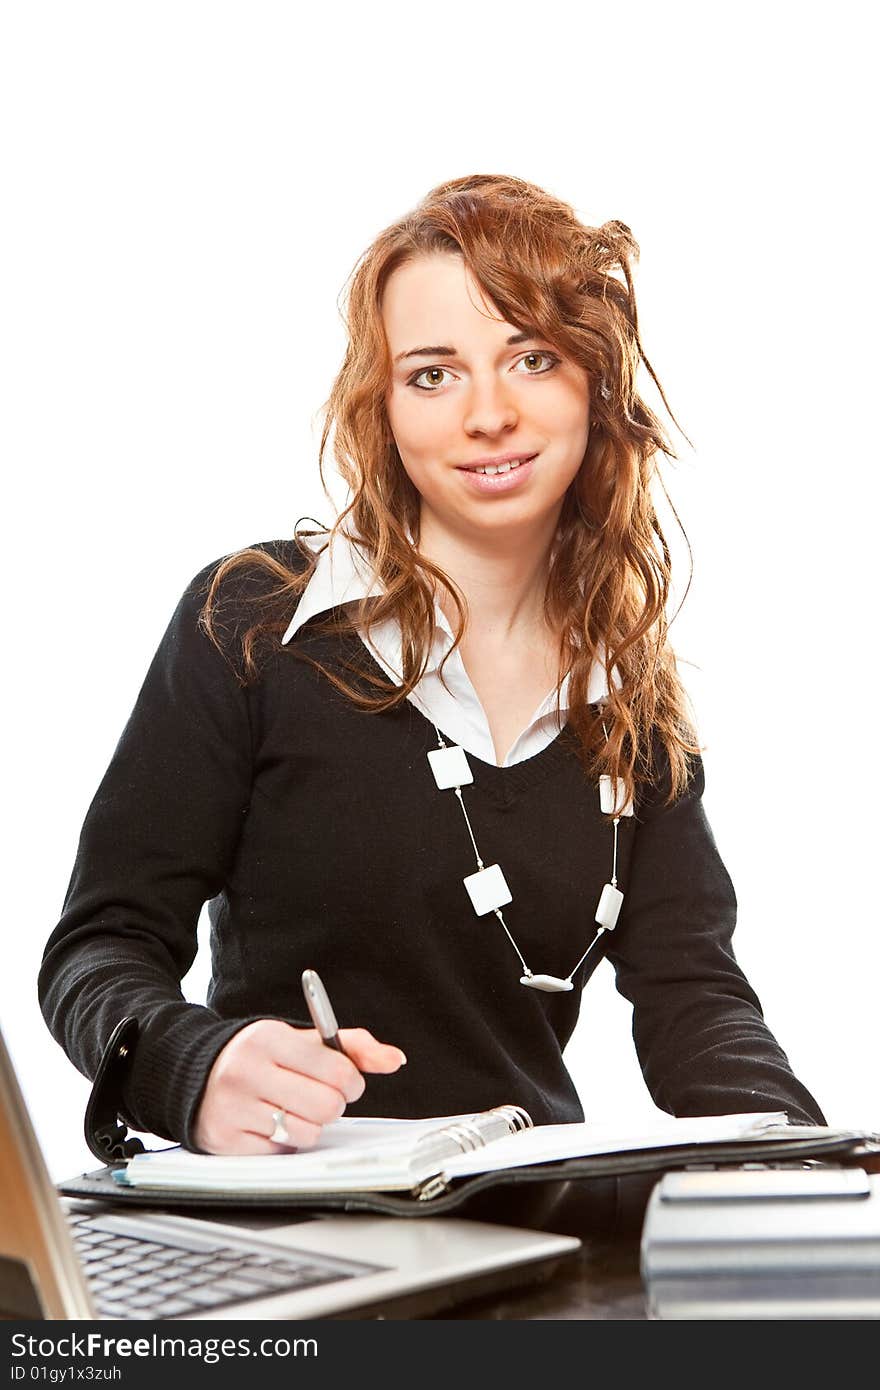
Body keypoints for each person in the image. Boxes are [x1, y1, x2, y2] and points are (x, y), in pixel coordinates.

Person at [39, 173, 826, 1159]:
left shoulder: (631, 701)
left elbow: (694, 994)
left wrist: (812, 1162)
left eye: (530, 358)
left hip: (529, 1226)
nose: (486, 414)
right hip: (294, 1234)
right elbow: (98, 947)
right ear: (384, 407)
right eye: (432, 373)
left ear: (595, 382)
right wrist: (189, 1064)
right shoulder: (252, 623)